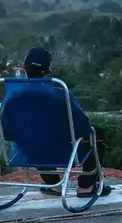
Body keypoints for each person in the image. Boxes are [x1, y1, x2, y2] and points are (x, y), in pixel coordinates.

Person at [22, 46, 112, 197]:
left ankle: (53, 184)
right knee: (96, 134)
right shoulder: (60, 91)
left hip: (29, 151)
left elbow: (1, 129)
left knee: (36, 138)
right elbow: (83, 125)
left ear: (23, 66)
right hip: (63, 152)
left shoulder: (13, 95)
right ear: (46, 70)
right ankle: (86, 187)